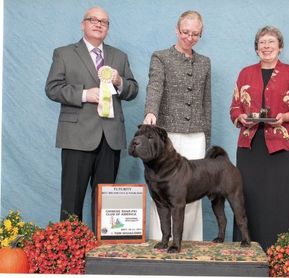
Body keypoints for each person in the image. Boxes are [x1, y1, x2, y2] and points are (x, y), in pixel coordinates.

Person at [45, 6, 138, 229]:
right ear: (83, 24)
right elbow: (52, 88)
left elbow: (133, 90)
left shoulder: (119, 56)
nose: (98, 24)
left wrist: (119, 82)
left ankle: (102, 254)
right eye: (93, 20)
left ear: (107, 28)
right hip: (76, 137)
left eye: (104, 22)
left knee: (106, 206)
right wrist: (85, 94)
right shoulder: (64, 53)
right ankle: (68, 254)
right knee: (71, 202)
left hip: (110, 138)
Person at [230, 26, 289, 251]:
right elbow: (234, 108)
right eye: (262, 43)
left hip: (283, 147)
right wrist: (242, 118)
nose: (266, 46)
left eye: (271, 42)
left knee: (281, 201)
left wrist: (286, 116)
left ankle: (284, 254)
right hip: (250, 146)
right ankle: (247, 253)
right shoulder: (245, 73)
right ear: (256, 48)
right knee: (248, 199)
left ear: (280, 47)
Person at [143, 10, 211, 241]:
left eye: (195, 34)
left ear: (200, 34)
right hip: (168, 136)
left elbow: (206, 102)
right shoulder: (160, 57)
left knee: (193, 191)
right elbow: (155, 86)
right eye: (185, 32)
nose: (189, 37)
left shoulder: (205, 62)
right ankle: (160, 240)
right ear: (176, 29)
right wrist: (151, 112)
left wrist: (207, 135)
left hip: (196, 136)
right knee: (162, 191)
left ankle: (189, 242)